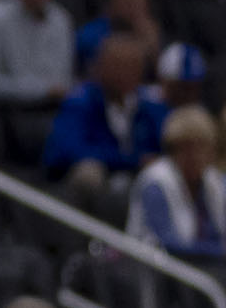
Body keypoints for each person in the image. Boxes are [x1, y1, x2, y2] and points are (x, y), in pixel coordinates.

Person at [45, 32, 169, 207]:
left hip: (134, 176)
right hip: (98, 176)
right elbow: (68, 151)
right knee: (88, 174)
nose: (125, 74)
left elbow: (165, 143)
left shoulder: (149, 105)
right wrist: (130, 160)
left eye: (132, 67)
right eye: (118, 66)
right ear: (100, 67)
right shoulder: (79, 102)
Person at [131, 104, 225, 261]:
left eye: (201, 147)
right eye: (187, 147)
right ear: (173, 150)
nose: (195, 155)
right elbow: (167, 243)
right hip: (160, 270)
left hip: (207, 268)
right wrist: (220, 252)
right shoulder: (156, 182)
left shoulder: (214, 180)